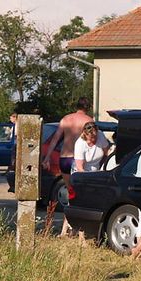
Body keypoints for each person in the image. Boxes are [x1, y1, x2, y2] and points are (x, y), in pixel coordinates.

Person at [42, 97, 94, 236]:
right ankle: (76, 228)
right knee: (79, 195)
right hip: (78, 159)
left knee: (71, 194)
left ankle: (65, 229)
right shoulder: (88, 120)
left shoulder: (66, 119)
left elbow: (55, 139)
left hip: (64, 158)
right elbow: (92, 140)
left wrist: (47, 158)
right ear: (88, 107)